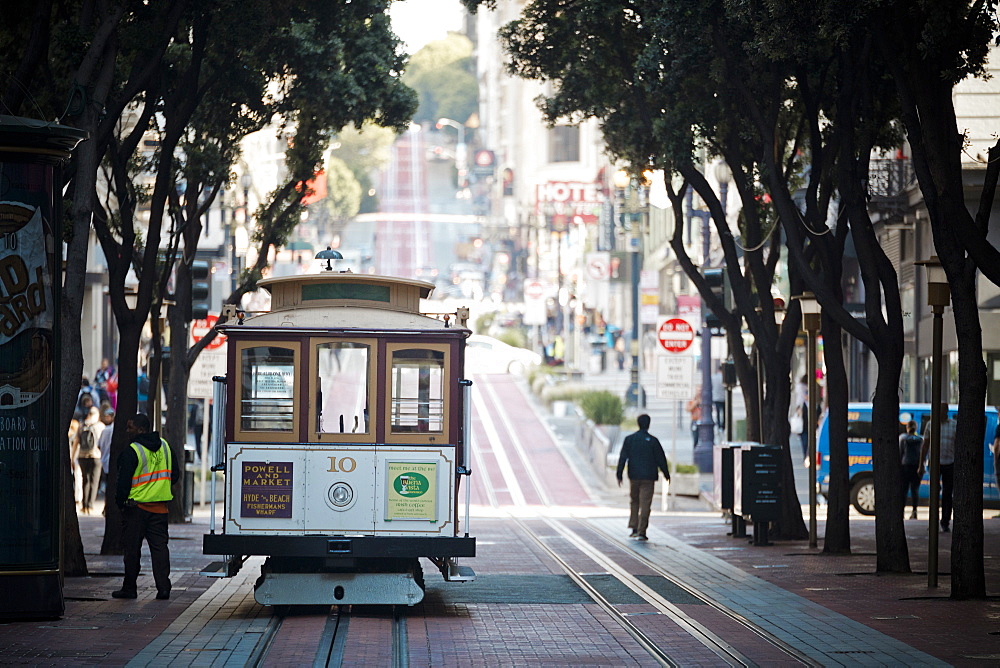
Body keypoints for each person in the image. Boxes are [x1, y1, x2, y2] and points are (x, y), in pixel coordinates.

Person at [113, 413, 180, 600]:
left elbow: (123, 482)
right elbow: (175, 475)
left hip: (136, 509)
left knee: (132, 550)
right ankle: (164, 588)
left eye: (130, 427)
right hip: (160, 509)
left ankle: (130, 588)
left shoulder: (132, 451)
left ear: (141, 429)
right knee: (160, 549)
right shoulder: (165, 447)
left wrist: (120, 503)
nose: (127, 431)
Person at [616, 414, 670, 541]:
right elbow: (661, 459)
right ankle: (642, 531)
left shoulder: (629, 439)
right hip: (649, 477)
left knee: (634, 501)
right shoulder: (653, 441)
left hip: (634, 476)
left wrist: (619, 474)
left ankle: (634, 527)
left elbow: (623, 457)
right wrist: (666, 474)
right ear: (649, 424)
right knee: (645, 503)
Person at [920, 403, 956, 533]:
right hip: (935, 464)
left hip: (950, 463)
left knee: (948, 494)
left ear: (946, 411)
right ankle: (933, 521)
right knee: (934, 493)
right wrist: (921, 465)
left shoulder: (954, 425)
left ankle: (945, 521)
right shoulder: (931, 424)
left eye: (942, 410)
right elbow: (925, 445)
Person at [77, 406, 104, 514]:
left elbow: (77, 441)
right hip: (95, 456)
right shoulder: (100, 426)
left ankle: (84, 506)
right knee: (94, 481)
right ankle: (91, 506)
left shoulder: (82, 425)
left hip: (82, 456)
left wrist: (73, 456)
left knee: (85, 480)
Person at [899, 420, 923, 520]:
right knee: (915, 490)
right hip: (917, 466)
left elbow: (900, 452)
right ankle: (914, 511)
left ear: (907, 428)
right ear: (916, 428)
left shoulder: (903, 438)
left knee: (903, 490)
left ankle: (901, 512)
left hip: (905, 466)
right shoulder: (920, 439)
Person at [711, 367, 725, 433]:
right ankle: (723, 425)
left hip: (716, 397)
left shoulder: (713, 377)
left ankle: (719, 425)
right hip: (723, 397)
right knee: (724, 412)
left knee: (718, 412)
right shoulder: (724, 377)